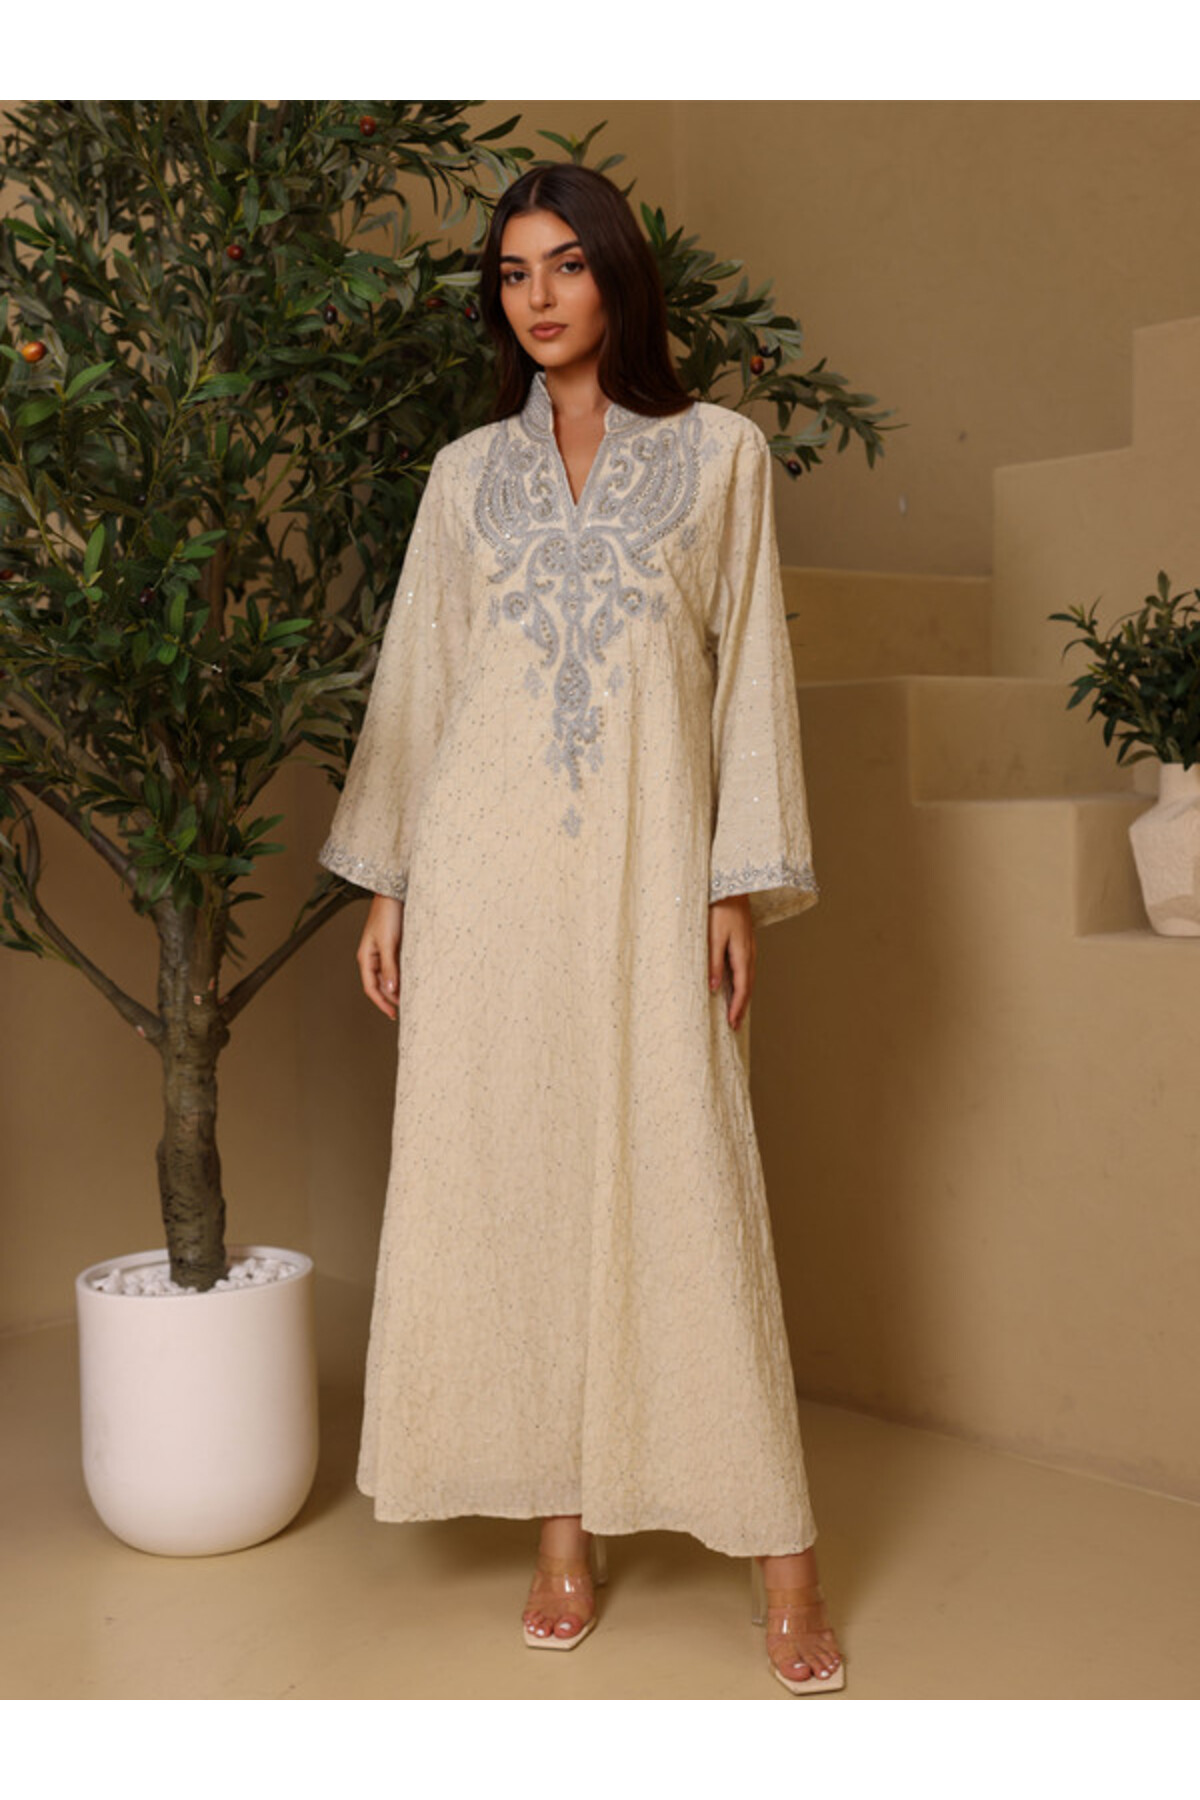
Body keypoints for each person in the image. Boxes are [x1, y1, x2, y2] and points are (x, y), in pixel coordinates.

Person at [318, 162, 846, 1695]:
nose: (537, 297)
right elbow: (422, 684)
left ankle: (786, 1559)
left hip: (643, 870)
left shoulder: (720, 455)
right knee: (518, 1177)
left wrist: (730, 881)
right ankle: (562, 1537)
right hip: (486, 881)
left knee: (688, 1176)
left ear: (617, 274)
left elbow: (747, 682)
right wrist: (394, 883)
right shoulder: (462, 476)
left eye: (564, 265)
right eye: (511, 273)